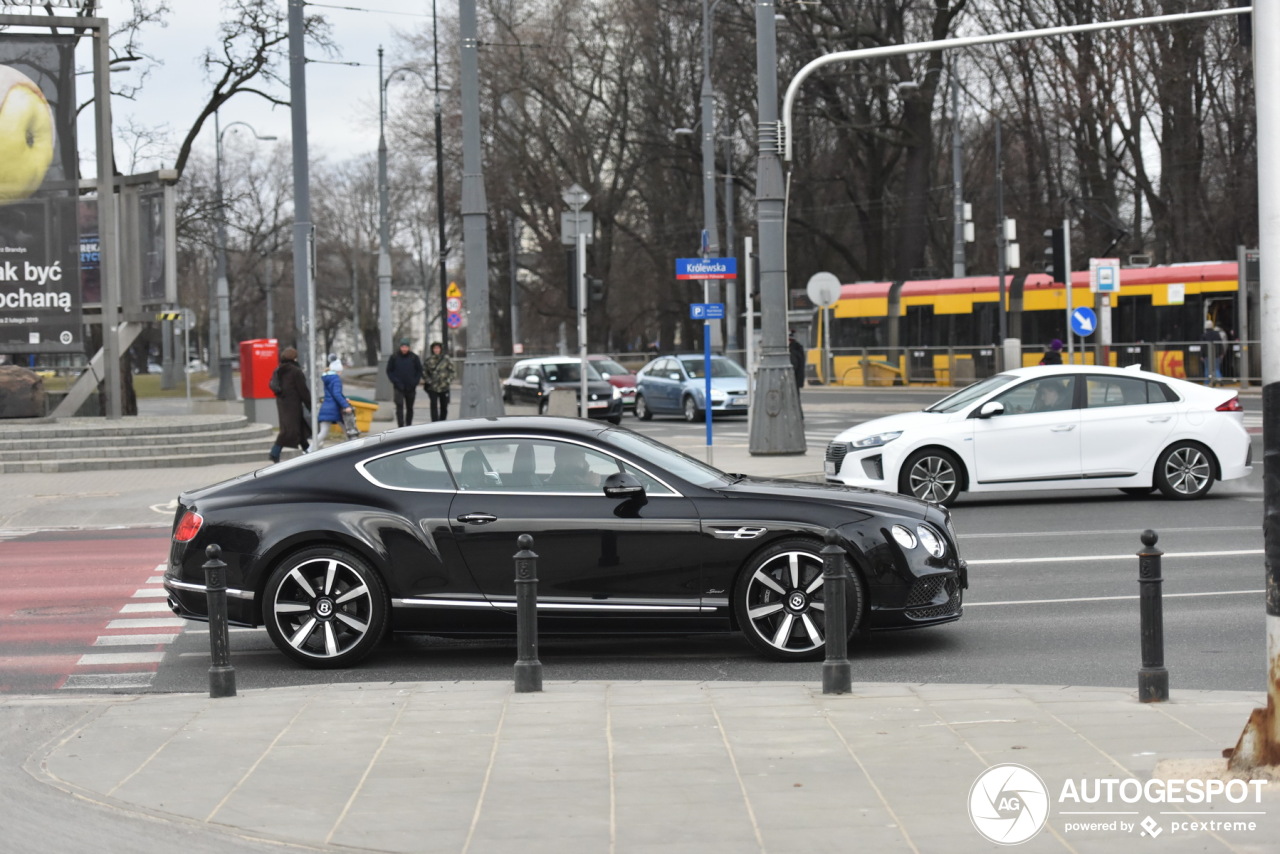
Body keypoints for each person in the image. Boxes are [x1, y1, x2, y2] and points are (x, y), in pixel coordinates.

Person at [269, 347, 310, 463]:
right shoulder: (295, 371)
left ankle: (308, 451)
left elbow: (274, 385)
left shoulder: (278, 369)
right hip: (293, 404)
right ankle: (274, 453)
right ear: (294, 358)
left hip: (282, 403)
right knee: (289, 430)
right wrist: (310, 405)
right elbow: (303, 390)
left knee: (297, 429)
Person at [313, 359, 353, 450]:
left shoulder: (328, 378)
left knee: (323, 432)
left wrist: (344, 399)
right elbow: (336, 393)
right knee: (348, 430)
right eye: (341, 371)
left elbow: (332, 393)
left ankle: (309, 450)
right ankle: (353, 448)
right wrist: (346, 405)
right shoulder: (336, 379)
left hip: (326, 407)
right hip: (334, 409)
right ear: (338, 371)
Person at [385, 337, 423, 427]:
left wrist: (415, 382)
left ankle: (409, 425)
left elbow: (419, 371)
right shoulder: (394, 357)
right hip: (399, 387)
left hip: (411, 387)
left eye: (406, 347)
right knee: (399, 406)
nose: (404, 349)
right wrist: (395, 382)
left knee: (410, 407)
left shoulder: (414, 357)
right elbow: (389, 371)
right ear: (400, 347)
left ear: (409, 347)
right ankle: (400, 425)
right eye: (403, 347)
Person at [423, 341, 457, 422]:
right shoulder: (429, 360)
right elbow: (424, 372)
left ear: (441, 349)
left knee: (444, 406)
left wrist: (448, 381)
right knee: (433, 405)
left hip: (444, 387)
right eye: (435, 348)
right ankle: (434, 422)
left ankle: (442, 421)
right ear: (432, 349)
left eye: (438, 348)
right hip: (433, 387)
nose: (436, 350)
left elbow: (453, 372)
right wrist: (429, 381)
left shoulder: (446, 360)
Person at [788, 330, 805, 419]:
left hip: (793, 379)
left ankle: (797, 416)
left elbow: (793, 364)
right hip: (796, 379)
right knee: (795, 399)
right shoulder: (797, 347)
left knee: (792, 399)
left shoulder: (793, 350)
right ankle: (798, 416)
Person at [1201, 320, 1223, 385]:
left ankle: (1207, 383)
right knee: (1216, 368)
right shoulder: (1217, 334)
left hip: (1207, 355)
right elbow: (1220, 344)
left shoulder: (1204, 335)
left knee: (1207, 369)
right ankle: (1219, 380)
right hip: (1216, 354)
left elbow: (1203, 346)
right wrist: (1221, 353)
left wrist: (1202, 355)